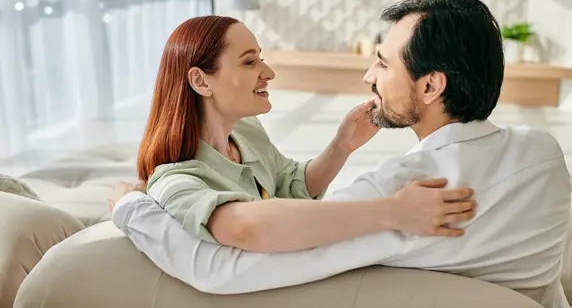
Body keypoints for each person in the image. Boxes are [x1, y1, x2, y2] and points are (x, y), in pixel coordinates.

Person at [110, 0, 572, 308]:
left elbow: (226, 266)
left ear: (431, 85)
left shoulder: (402, 191)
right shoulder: (545, 154)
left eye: (383, 62)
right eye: (251, 62)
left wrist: (129, 207)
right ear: (199, 81)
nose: (368, 76)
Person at [108, 14, 477, 253]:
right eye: (249, 61)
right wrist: (392, 213)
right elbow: (243, 227)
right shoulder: (175, 177)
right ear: (200, 80)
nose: (268, 72)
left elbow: (291, 184)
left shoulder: (247, 131)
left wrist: (342, 146)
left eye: (261, 58)